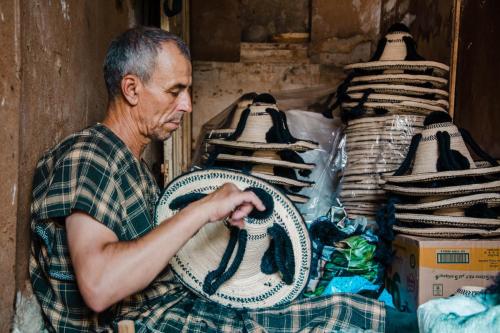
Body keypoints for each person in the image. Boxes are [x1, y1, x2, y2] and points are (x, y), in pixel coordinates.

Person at [30, 26, 389, 332]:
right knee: (333, 321)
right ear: (131, 89)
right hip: (143, 323)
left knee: (331, 306)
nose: (186, 105)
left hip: (169, 309)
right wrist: (204, 208)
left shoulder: (132, 164)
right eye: (175, 91)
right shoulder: (89, 154)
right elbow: (100, 285)